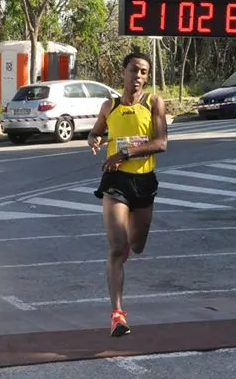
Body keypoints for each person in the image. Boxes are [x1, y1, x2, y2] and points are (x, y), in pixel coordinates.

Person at [88, 52, 168, 337]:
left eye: (144, 72)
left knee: (136, 246)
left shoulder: (154, 102)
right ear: (123, 72)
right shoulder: (109, 106)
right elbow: (96, 131)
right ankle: (118, 315)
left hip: (144, 182)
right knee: (117, 247)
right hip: (115, 182)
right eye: (134, 70)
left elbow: (161, 143)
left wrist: (126, 152)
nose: (139, 77)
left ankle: (123, 255)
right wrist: (94, 138)